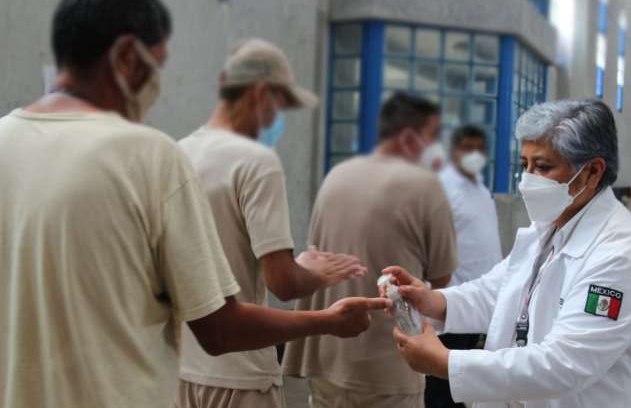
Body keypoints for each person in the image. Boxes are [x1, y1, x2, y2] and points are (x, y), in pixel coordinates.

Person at [0, 0, 388, 407]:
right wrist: (327, 320)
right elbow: (221, 329)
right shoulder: (148, 155)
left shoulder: (5, 139)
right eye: (159, 64)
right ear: (128, 57)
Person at [386, 99, 631, 408]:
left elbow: (565, 365)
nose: (527, 179)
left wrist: (446, 362)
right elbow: (498, 291)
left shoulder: (620, 256)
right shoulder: (548, 226)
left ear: (591, 172)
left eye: (543, 167)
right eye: (525, 165)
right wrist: (434, 301)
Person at [175, 38, 369, 408]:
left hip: (180, 372)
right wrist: (313, 272)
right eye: (280, 105)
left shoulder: (178, 152)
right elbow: (282, 282)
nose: (277, 119)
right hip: (240, 377)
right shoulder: (256, 161)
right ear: (261, 94)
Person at [283, 93, 458, 408]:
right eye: (433, 136)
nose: (437, 147)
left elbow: (315, 260)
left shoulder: (337, 175)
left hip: (327, 360)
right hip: (389, 368)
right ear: (408, 137)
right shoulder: (424, 186)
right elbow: (441, 280)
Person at [427, 125, 503, 408]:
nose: (475, 154)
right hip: (451, 304)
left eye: (479, 148)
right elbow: (432, 246)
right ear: (454, 151)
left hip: (480, 303)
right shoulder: (443, 187)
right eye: (467, 148)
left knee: (463, 385)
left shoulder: (480, 188)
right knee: (441, 386)